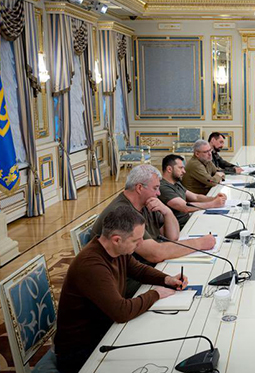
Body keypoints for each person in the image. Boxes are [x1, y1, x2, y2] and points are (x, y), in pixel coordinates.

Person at [55, 206, 188, 373]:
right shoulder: (92, 265)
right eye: (136, 240)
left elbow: (139, 270)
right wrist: (155, 294)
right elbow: (121, 312)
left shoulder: (116, 250)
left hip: (106, 331)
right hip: (82, 351)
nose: (141, 243)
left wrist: (167, 279)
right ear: (116, 239)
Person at [90, 164, 215, 295]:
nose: (158, 193)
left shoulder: (147, 203)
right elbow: (155, 254)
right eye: (155, 188)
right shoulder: (123, 213)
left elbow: (172, 237)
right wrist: (199, 243)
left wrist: (167, 212)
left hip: (147, 270)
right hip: (127, 282)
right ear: (139, 188)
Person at [160, 154, 227, 228]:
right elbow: (185, 207)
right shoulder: (163, 187)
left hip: (188, 222)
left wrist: (214, 198)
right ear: (169, 169)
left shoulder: (176, 183)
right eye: (181, 168)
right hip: (179, 228)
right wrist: (213, 204)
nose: (184, 171)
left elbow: (196, 197)